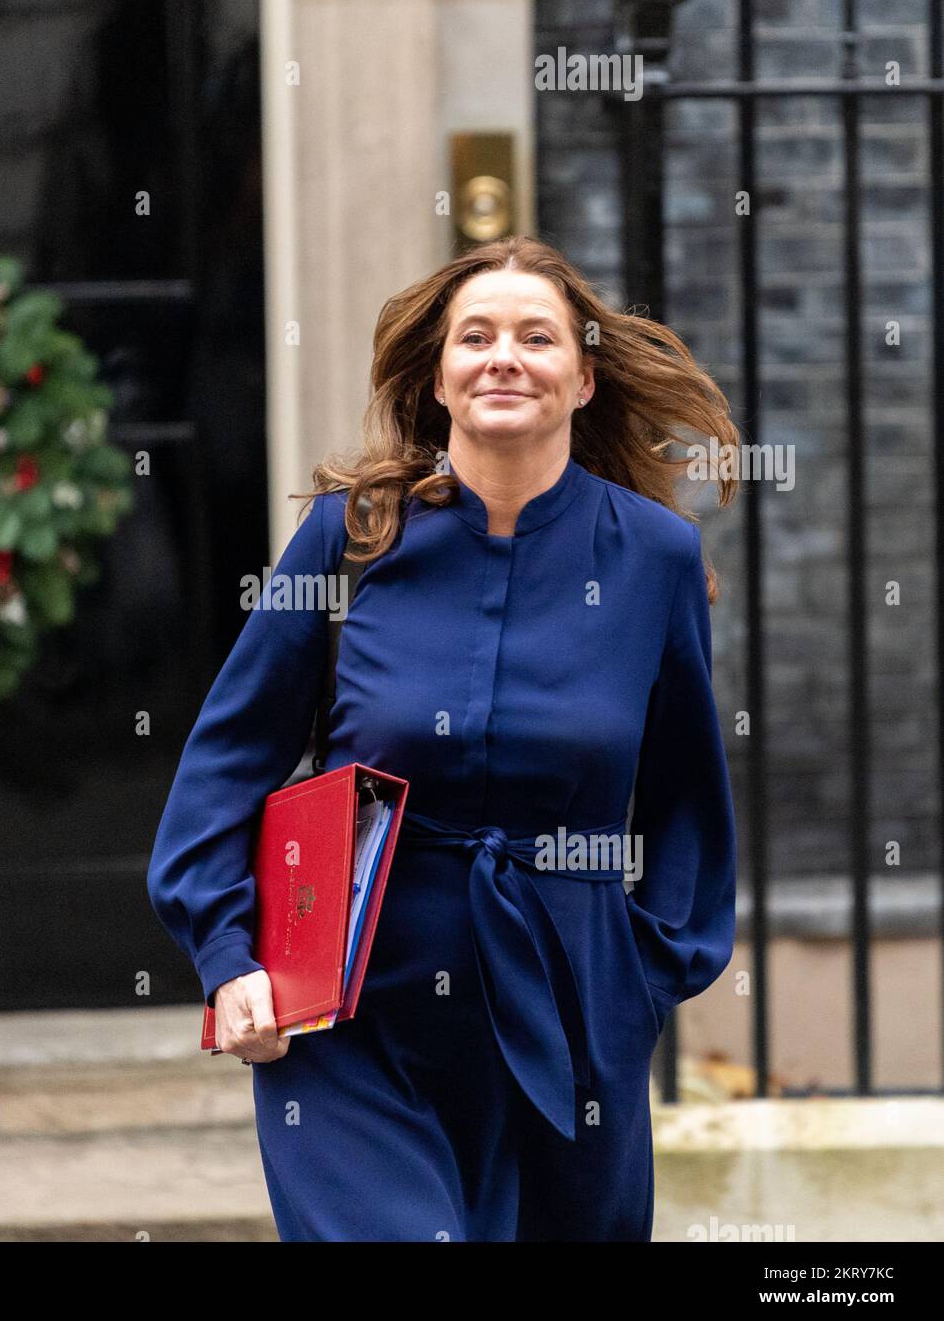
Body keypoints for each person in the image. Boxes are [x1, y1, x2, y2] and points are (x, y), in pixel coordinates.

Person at [145, 235, 739, 1241]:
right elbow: (228, 757)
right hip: (351, 1008)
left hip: (571, 1010)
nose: (503, 356)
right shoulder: (350, 535)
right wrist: (229, 951)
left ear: (584, 377)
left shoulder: (654, 560)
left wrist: (646, 970)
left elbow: (689, 794)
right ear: (438, 375)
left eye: (536, 336)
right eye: (476, 335)